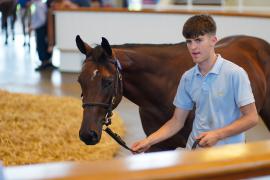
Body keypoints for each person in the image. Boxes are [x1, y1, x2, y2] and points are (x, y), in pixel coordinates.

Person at [131, 14, 259, 153]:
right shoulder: (188, 77)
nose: (193, 47)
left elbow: (251, 118)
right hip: (195, 151)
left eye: (198, 40)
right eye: (189, 41)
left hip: (229, 154)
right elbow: (176, 121)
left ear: (213, 40)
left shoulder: (235, 73)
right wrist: (148, 141)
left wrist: (217, 134)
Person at [30, 0, 57, 71]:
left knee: (41, 44)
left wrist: (33, 26)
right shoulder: (40, 4)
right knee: (43, 44)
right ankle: (46, 62)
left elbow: (42, 20)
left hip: (40, 28)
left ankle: (44, 63)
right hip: (41, 28)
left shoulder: (39, 5)